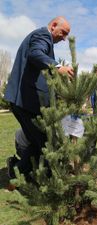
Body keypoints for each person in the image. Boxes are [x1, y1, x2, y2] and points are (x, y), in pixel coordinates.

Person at [4, 16, 74, 180]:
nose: (64, 38)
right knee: (44, 142)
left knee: (39, 142)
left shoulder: (44, 39)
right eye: (63, 33)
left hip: (26, 102)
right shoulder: (42, 36)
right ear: (53, 25)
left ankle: (18, 171)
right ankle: (29, 175)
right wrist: (57, 67)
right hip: (25, 102)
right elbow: (35, 54)